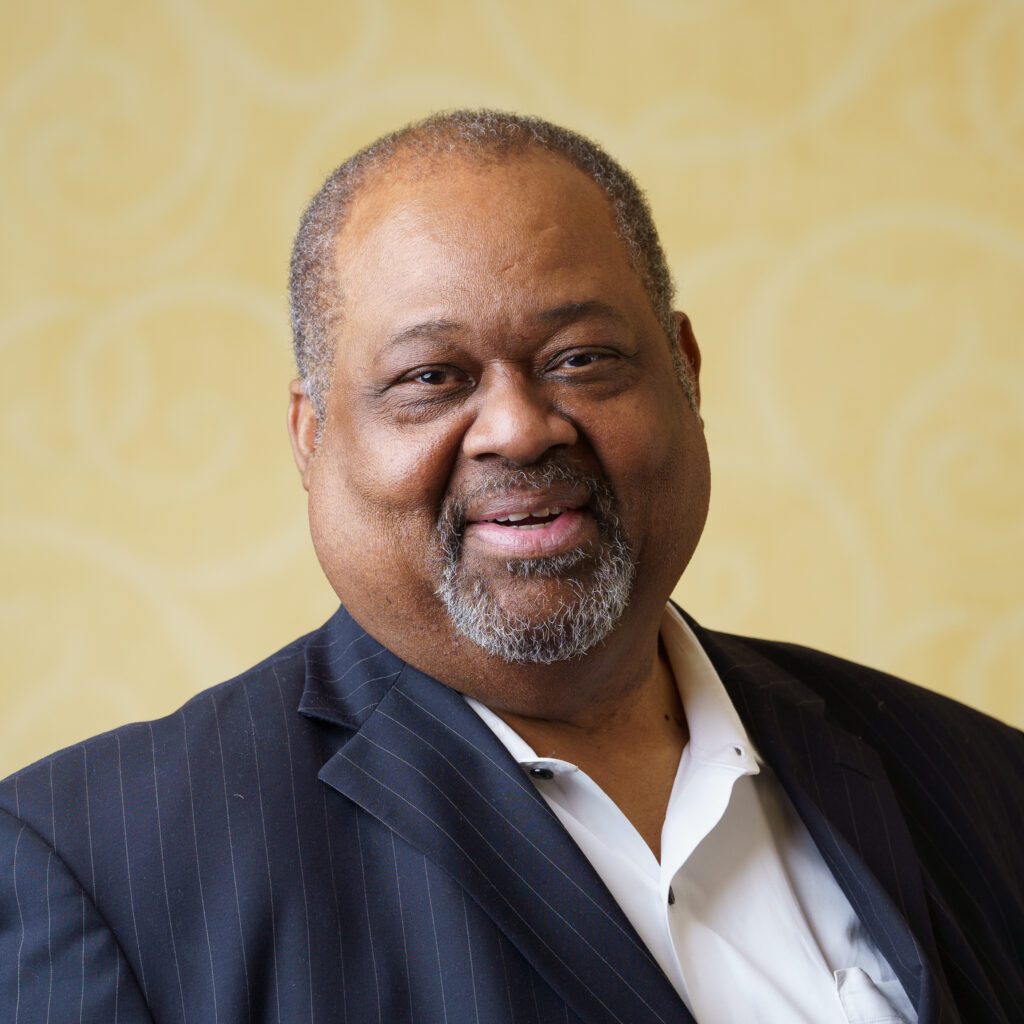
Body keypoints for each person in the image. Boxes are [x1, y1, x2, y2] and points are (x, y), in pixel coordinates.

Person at [1, 110, 1020, 1024]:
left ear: (685, 371)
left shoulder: (981, 781)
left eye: (580, 358)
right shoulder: (97, 869)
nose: (520, 429)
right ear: (312, 436)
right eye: (429, 377)